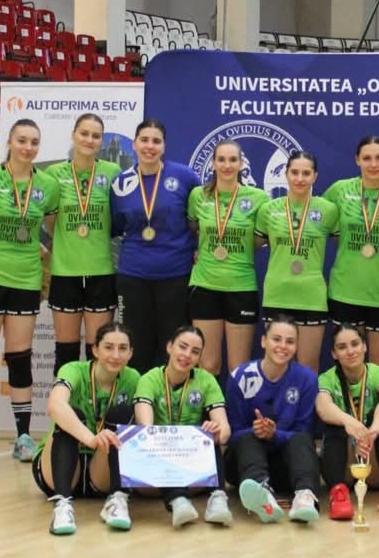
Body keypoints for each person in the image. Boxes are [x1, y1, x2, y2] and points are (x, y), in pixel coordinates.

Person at [0, 119, 60, 466]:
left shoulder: (47, 186)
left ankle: (22, 437)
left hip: (26, 280)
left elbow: (51, 232)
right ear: (10, 142)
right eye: (22, 140)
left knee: (20, 358)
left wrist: (44, 255)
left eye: (34, 142)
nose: (28, 147)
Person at [34, 323, 139, 535]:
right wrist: (91, 438)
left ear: (130, 353)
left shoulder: (133, 378)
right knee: (72, 414)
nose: (115, 355)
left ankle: (117, 499)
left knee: (121, 415)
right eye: (108, 347)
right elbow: (55, 405)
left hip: (100, 470)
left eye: (122, 349)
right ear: (95, 350)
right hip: (59, 466)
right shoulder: (73, 370)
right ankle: (62, 506)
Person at [112, 119, 200, 371]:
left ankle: (170, 397)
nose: (149, 146)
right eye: (144, 140)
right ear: (134, 144)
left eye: (156, 141)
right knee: (135, 347)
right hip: (133, 276)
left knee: (172, 348)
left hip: (176, 276)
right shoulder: (120, 183)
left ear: (164, 146)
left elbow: (200, 217)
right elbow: (117, 226)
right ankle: (138, 397)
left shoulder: (185, 177)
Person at [324, 136, 379, 371]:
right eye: (367, 158)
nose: (373, 164)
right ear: (357, 160)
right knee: (347, 366)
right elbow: (324, 229)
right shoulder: (339, 190)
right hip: (345, 292)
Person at [133, 326, 233, 528]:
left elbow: (225, 429)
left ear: (199, 358)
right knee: (160, 443)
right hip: (157, 462)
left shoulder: (206, 380)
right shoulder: (149, 379)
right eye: (183, 347)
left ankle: (218, 498)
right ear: (169, 347)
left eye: (195, 352)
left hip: (191, 464)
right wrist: (171, 441)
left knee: (209, 435)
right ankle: (178, 500)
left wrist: (216, 433)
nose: (187, 355)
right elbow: (146, 429)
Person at [225, 316, 321, 523]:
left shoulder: (307, 379)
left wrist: (274, 434)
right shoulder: (241, 376)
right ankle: (262, 494)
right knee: (247, 438)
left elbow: (304, 431)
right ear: (263, 341)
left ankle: (305, 496)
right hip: (245, 466)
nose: (282, 346)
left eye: (290, 341)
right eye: (276, 339)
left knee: (302, 439)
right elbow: (232, 435)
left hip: (287, 468)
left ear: (296, 346)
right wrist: (256, 431)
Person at [46, 113, 122, 375]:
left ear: (102, 141)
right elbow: (50, 220)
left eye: (95, 136)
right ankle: (64, 403)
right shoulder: (54, 173)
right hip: (65, 271)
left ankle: (94, 403)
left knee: (97, 352)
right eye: (84, 133)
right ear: (74, 135)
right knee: (65, 353)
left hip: (101, 271)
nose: (89, 140)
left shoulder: (112, 173)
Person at [188, 140, 270, 375]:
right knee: (208, 365)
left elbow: (261, 239)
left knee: (239, 367)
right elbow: (193, 228)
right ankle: (207, 402)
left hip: (241, 286)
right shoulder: (198, 195)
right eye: (221, 159)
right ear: (213, 163)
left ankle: (236, 403)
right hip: (205, 285)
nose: (227, 165)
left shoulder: (258, 198)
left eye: (233, 160)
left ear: (241, 163)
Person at [255, 150, 338, 370]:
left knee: (308, 367)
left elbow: (345, 244)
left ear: (315, 176)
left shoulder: (328, 210)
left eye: (306, 173)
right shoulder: (268, 210)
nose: (300, 178)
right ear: (286, 173)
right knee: (275, 364)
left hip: (311, 296)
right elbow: (251, 245)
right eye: (294, 172)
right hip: (277, 295)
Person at [316, 323, 379, 521]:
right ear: (333, 354)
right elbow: (323, 407)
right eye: (342, 347)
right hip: (344, 462)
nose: (350, 351)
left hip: (373, 459)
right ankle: (338, 493)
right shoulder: (326, 379)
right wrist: (348, 421)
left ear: (365, 346)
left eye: (355, 344)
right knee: (335, 422)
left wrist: (373, 432)